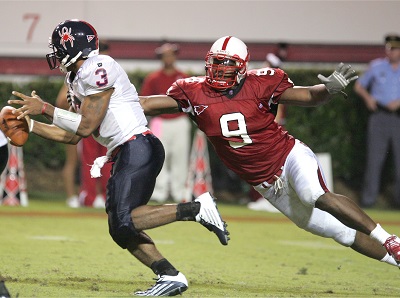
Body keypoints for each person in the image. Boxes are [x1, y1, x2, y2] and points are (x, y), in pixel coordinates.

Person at [139, 35, 400, 270]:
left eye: (228, 63)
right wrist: (110, 101)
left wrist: (327, 89)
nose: (220, 69)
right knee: (341, 233)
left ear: (242, 67)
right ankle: (396, 261)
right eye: (216, 62)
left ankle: (389, 239)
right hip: (266, 184)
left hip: (288, 157)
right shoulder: (194, 91)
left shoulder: (261, 83)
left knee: (314, 194)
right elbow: (149, 104)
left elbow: (309, 96)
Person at [9, 19, 229, 297]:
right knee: (120, 228)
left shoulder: (99, 67)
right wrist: (29, 126)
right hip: (128, 151)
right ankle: (169, 275)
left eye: (58, 47)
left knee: (125, 219)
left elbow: (86, 125)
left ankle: (197, 209)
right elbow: (73, 135)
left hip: (137, 146)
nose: (55, 53)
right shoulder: (76, 78)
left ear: (72, 46)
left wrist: (44, 108)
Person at [56, 40, 112, 208]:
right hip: (78, 124)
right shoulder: (79, 75)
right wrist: (75, 107)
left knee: (104, 161)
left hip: (100, 124)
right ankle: (78, 196)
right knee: (77, 161)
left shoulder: (101, 71)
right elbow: (61, 101)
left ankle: (99, 195)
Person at [140, 43, 191, 203]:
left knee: (180, 157)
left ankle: (179, 192)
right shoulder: (153, 78)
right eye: (165, 55)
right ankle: (159, 191)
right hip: (159, 121)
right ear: (161, 58)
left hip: (179, 120)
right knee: (158, 156)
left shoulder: (183, 77)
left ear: (175, 56)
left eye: (171, 54)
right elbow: (143, 101)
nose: (169, 58)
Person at [354, 34, 400, 209]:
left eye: (394, 48)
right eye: (389, 48)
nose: (391, 52)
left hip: (398, 117)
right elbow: (359, 85)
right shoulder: (377, 66)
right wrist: (368, 99)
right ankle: (368, 201)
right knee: (374, 160)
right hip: (379, 116)